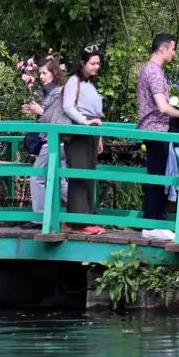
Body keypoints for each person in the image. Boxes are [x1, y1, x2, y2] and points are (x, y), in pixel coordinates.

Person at [136, 34, 179, 222]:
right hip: (155, 129)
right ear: (163, 49)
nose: (174, 53)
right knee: (158, 179)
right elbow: (162, 106)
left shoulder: (147, 69)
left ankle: (154, 220)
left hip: (151, 129)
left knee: (157, 177)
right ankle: (152, 222)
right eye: (172, 49)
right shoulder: (154, 72)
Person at [61, 49, 105, 234]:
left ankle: (84, 218)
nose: (96, 66)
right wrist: (84, 121)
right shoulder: (74, 81)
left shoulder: (90, 84)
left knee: (88, 175)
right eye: (92, 63)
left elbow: (96, 113)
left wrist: (99, 136)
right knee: (80, 175)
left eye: (97, 63)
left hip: (91, 132)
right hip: (79, 132)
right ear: (83, 63)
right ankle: (78, 221)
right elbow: (68, 105)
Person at [24, 59, 68, 223]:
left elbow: (58, 121)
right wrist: (36, 112)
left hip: (55, 141)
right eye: (40, 73)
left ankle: (41, 219)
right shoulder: (52, 92)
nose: (41, 76)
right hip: (58, 141)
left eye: (44, 73)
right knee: (58, 180)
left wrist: (40, 111)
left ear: (54, 74)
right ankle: (86, 209)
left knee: (37, 176)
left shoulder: (59, 93)